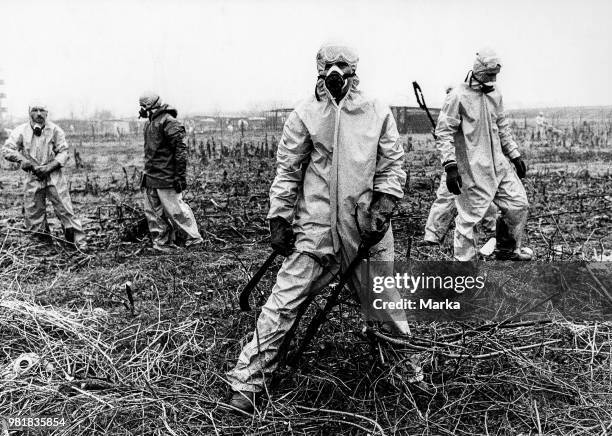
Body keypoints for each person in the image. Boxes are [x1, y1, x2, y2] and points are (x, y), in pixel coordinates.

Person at [227, 43, 408, 413]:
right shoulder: (306, 114)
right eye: (329, 65)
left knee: (386, 307)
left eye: (343, 65)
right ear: (319, 69)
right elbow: (288, 170)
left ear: (354, 70)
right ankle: (248, 382)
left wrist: (383, 207)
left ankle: (406, 374)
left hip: (365, 233)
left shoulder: (376, 111)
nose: (336, 71)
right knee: (283, 303)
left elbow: (392, 166)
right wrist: (279, 218)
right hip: (316, 233)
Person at [435, 48, 531, 261]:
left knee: (518, 204)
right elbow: (444, 132)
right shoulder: (457, 96)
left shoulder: (495, 94)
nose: (493, 79)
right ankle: (464, 269)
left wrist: (514, 155)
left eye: (495, 75)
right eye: (489, 74)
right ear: (478, 70)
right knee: (469, 220)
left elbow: (502, 126)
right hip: (473, 167)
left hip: (498, 163)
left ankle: (506, 250)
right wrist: (450, 166)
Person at [2, 102, 86, 249]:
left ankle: (78, 244)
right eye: (35, 110)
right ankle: (41, 248)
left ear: (47, 113)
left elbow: (64, 152)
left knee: (65, 210)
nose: (39, 114)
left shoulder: (55, 130)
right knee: (34, 214)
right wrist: (22, 160)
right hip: (33, 176)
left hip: (53, 175)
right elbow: (7, 149)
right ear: (29, 113)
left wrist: (49, 167)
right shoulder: (21, 131)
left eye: (42, 111)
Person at [424, 85, 497, 246]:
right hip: (455, 165)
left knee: (483, 197)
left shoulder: (473, 113)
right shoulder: (450, 112)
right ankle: (432, 236)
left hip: (473, 165)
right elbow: (444, 136)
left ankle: (492, 227)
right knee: (445, 197)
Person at [138, 93, 203, 252]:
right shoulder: (151, 123)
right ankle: (163, 244)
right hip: (151, 177)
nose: (141, 111)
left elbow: (181, 151)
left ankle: (194, 240)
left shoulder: (169, 122)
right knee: (154, 214)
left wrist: (179, 176)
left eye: (143, 107)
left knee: (177, 212)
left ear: (152, 106)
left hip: (166, 177)